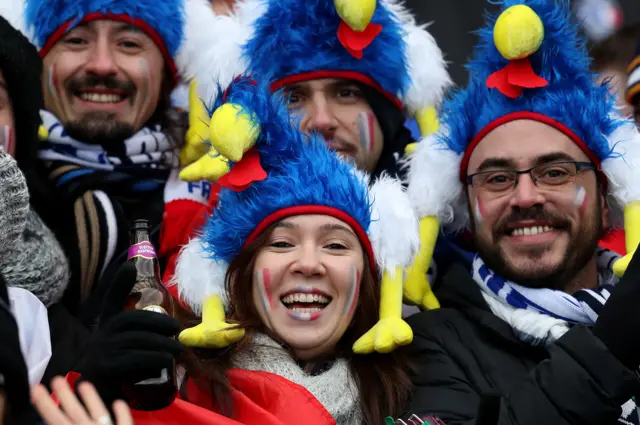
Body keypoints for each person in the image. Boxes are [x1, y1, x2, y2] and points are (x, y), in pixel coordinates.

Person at [74, 76, 422, 425]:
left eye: (335, 245)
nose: (308, 264)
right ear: (239, 274)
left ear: (367, 277)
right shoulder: (173, 385)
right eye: (282, 243)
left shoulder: (414, 389)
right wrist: (99, 395)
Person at [403, 0, 640, 423]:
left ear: (606, 202)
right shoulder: (430, 345)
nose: (526, 196)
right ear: (468, 210)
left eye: (554, 172)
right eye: (497, 179)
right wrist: (610, 346)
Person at [161, 0, 450, 320]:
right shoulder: (215, 237)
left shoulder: (452, 230)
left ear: (386, 116)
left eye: (346, 93)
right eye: (294, 98)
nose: (322, 120)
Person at [20, 0, 202, 317]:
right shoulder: (10, 194)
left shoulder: (218, 200)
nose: (102, 65)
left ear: (166, 75)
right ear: (40, 65)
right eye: (76, 40)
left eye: (128, 44)